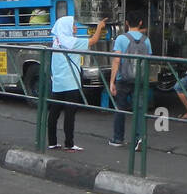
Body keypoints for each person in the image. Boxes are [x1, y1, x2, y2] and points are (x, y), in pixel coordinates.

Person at [47, 15, 107, 151]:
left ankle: (52, 142)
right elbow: (93, 40)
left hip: (57, 83)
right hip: (71, 83)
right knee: (70, 114)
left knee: (54, 113)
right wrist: (99, 28)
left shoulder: (56, 41)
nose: (75, 27)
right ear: (66, 27)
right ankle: (69, 144)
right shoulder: (72, 42)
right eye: (72, 25)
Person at [108, 13, 152, 147]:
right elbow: (148, 60)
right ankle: (139, 138)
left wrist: (112, 81)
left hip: (123, 79)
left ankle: (118, 139)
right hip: (140, 79)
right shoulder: (146, 40)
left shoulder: (121, 39)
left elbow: (116, 61)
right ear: (140, 23)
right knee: (139, 109)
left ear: (126, 23)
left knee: (120, 108)